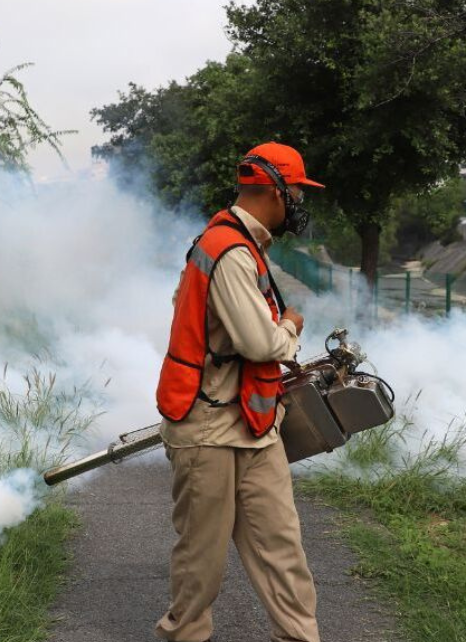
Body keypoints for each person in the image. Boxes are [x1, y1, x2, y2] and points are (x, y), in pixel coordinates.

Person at [154, 142, 324, 642]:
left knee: (282, 548)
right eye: (295, 190)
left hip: (253, 424)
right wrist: (291, 326)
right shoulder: (226, 250)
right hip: (207, 426)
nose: (298, 200)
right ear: (274, 190)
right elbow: (258, 343)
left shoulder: (243, 246)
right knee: (201, 559)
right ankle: (184, 635)